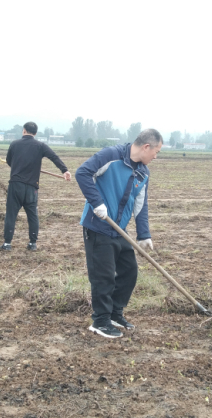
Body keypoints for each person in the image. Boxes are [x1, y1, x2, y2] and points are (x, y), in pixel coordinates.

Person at [75, 128, 163, 339]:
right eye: (156, 152)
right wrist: (97, 203)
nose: (156, 157)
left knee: (129, 272)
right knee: (103, 277)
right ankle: (100, 321)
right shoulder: (111, 156)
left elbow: (141, 204)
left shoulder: (143, 172)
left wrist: (144, 234)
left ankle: (115, 313)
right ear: (146, 147)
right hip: (99, 225)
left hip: (119, 230)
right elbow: (82, 173)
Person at [0, 122, 71, 251]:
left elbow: (9, 161)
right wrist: (64, 170)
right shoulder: (40, 146)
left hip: (16, 185)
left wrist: (17, 166)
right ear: (35, 133)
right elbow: (54, 157)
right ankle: (32, 243)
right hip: (32, 187)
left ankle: (7, 243)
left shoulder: (14, 144)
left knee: (11, 215)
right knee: (32, 215)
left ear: (24, 131)